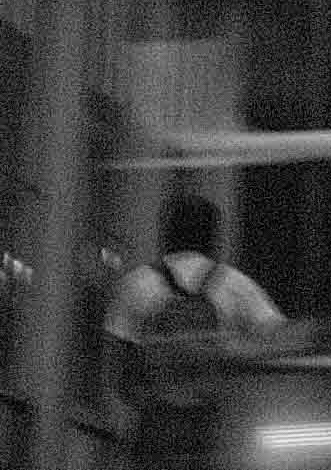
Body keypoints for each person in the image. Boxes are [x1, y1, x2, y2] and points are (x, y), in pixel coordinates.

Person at [108, 192, 283, 470]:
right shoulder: (236, 284)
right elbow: (275, 339)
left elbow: (120, 365)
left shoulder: (136, 283)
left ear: (166, 233)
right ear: (213, 237)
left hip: (156, 423)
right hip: (213, 422)